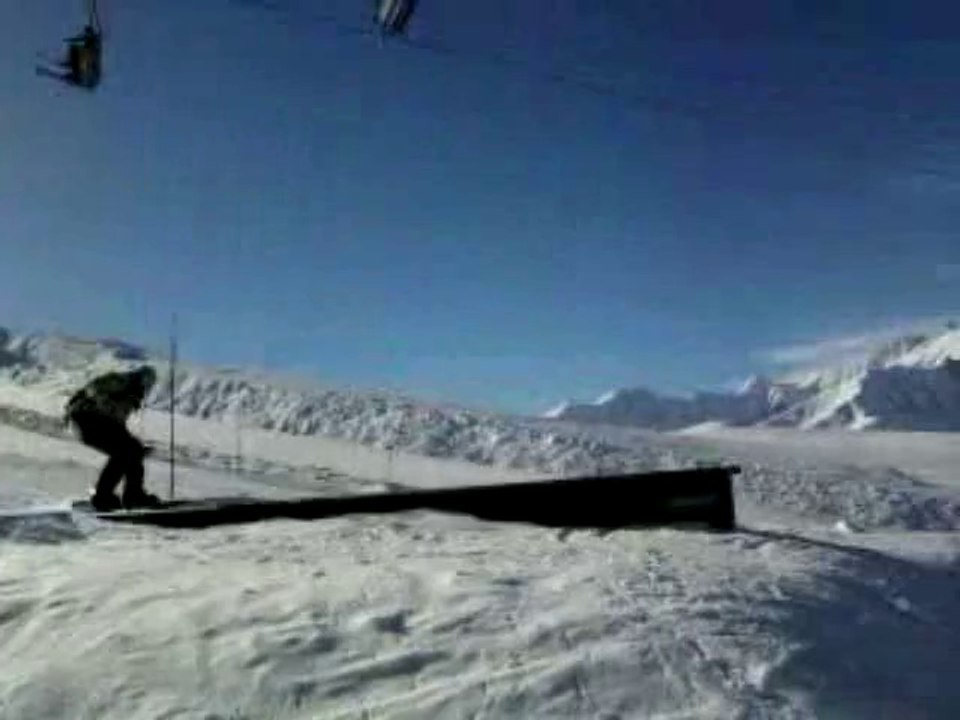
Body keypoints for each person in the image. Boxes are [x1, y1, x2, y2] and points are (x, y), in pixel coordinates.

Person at [65, 365, 161, 511]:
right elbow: (94, 389)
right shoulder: (121, 381)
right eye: (145, 384)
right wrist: (103, 399)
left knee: (131, 450)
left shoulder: (130, 397)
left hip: (89, 421)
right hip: (85, 417)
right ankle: (121, 496)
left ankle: (121, 496)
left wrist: (137, 449)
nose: (146, 389)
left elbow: (117, 425)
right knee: (129, 450)